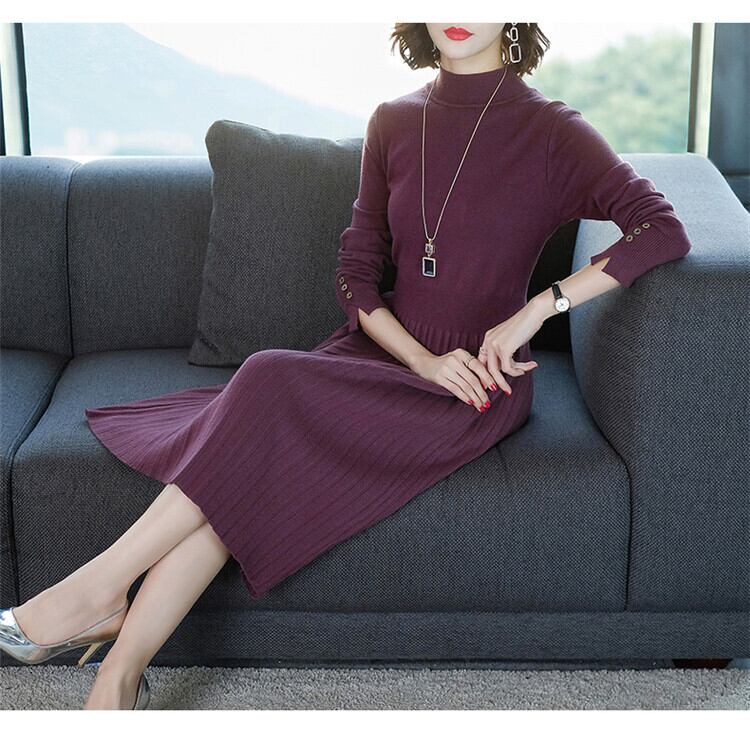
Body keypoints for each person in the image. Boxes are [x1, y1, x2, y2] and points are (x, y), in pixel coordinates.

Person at [0, 22, 692, 709]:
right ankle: (118, 678)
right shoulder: (395, 120)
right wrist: (420, 359)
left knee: (264, 381)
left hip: (475, 384)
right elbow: (355, 275)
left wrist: (539, 309)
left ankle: (96, 593)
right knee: (240, 464)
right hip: (389, 355)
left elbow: (660, 228)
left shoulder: (553, 130)